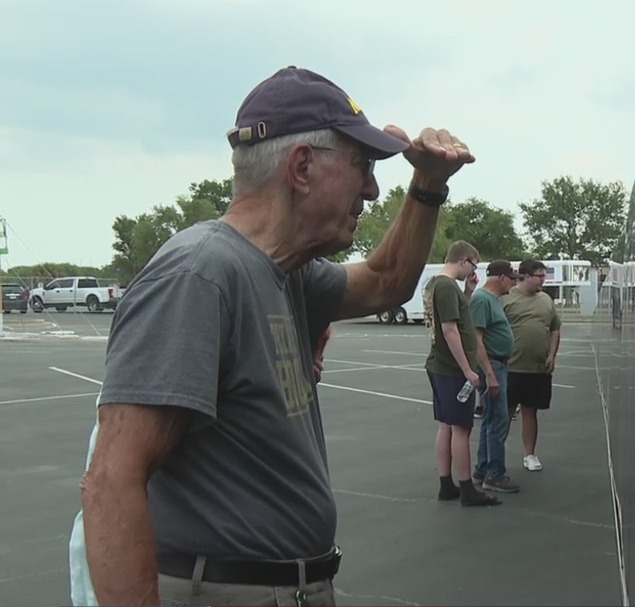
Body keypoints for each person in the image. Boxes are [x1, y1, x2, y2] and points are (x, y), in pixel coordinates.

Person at [70, 65, 475, 607]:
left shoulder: (287, 271)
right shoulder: (200, 274)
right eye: (361, 165)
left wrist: (427, 185)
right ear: (302, 167)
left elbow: (385, 282)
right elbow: (111, 482)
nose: (373, 189)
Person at [424, 241, 502, 506]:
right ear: (465, 260)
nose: (473, 272)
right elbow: (449, 329)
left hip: (440, 367)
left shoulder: (436, 284)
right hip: (451, 370)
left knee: (446, 424)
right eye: (473, 266)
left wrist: (468, 293)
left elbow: (457, 316)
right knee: (461, 428)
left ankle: (447, 484)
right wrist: (468, 369)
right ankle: (467, 488)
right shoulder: (446, 286)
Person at [503, 259, 562, 471]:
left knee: (531, 411)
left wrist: (552, 355)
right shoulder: (506, 298)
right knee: (505, 413)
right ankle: (496, 457)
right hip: (510, 367)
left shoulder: (546, 300)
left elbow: (555, 329)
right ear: (525, 276)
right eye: (539, 276)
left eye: (544, 276)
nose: (543, 280)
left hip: (537, 369)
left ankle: (530, 455)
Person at [469, 260, 521, 492]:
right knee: (498, 420)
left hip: (498, 364)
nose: (513, 283)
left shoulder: (492, 300)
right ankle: (495, 474)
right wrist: (490, 374)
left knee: (490, 419)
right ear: (501, 278)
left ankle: (483, 469)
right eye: (511, 278)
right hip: (492, 365)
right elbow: (477, 339)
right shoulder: (482, 300)